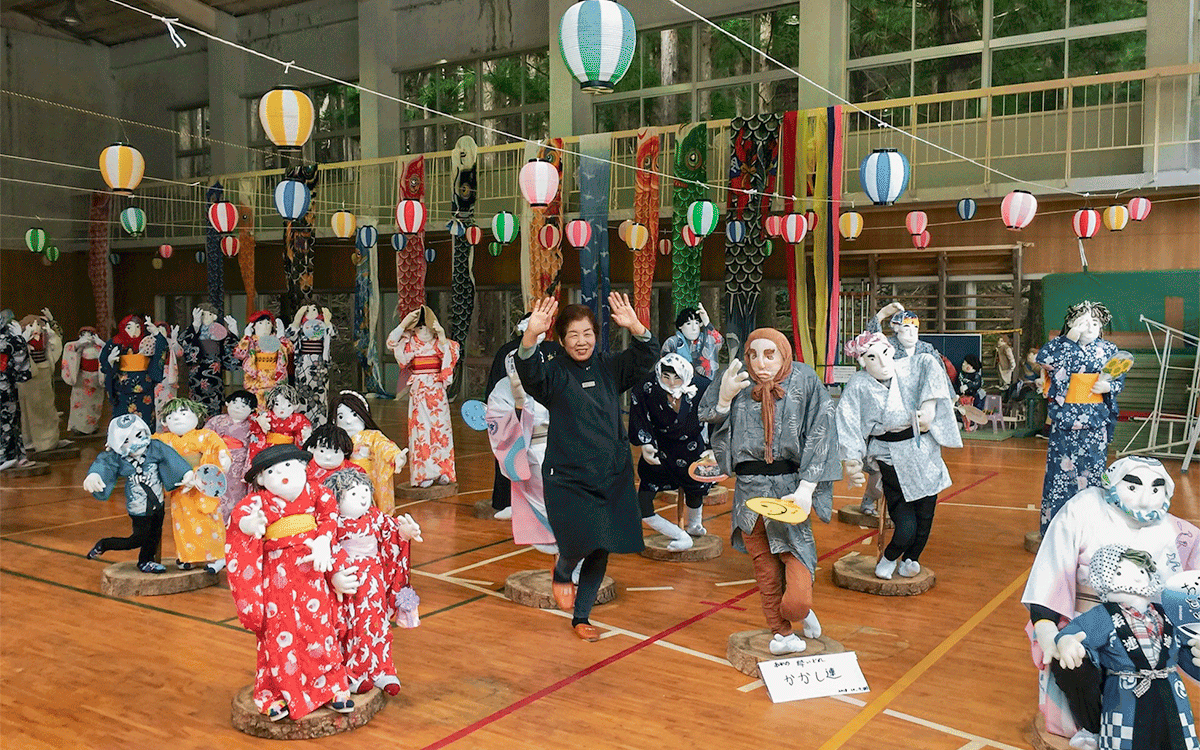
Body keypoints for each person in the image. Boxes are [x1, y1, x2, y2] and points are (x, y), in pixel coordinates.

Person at [1023, 456, 1200, 748]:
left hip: (1154, 629)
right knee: (1071, 664)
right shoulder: (1083, 510)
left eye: (1156, 489)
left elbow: (1189, 594)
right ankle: (1092, 727)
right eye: (1134, 486)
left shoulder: (1179, 533)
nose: (1144, 498)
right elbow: (1052, 568)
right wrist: (1046, 625)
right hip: (1089, 619)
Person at [514, 292, 657, 642]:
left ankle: (582, 616)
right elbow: (528, 372)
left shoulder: (610, 367)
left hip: (612, 473)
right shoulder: (554, 373)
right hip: (569, 477)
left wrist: (636, 326)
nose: (582, 341)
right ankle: (563, 571)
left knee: (602, 543)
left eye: (588, 333)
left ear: (597, 334)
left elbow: (647, 356)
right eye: (573, 335)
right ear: (562, 341)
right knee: (579, 541)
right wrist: (531, 335)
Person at [698, 327, 841, 655]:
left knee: (796, 563)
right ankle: (782, 634)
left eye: (769, 354)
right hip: (749, 493)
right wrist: (724, 397)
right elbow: (707, 417)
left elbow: (822, 432)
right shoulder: (736, 376)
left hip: (789, 490)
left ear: (783, 353)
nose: (760, 363)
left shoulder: (804, 381)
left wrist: (807, 489)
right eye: (753, 354)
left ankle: (799, 611)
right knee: (764, 568)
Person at [225, 444, 360, 721]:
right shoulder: (259, 502)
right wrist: (251, 526)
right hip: (277, 574)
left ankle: (332, 687)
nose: (283, 474)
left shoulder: (315, 492)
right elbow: (239, 518)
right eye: (272, 470)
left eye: (289, 466)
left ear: (303, 466)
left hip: (312, 570)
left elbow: (329, 513)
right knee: (278, 631)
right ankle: (273, 692)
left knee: (320, 628)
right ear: (261, 479)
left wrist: (324, 539)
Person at [837, 331, 961, 580]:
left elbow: (930, 364)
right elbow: (847, 418)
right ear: (863, 362)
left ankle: (911, 558)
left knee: (926, 514)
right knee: (906, 523)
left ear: (892, 351)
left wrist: (929, 407)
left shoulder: (913, 365)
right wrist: (851, 459)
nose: (882, 363)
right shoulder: (859, 385)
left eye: (884, 354)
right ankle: (890, 556)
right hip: (888, 452)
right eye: (872, 358)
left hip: (922, 447)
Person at [1054, 544, 1200, 750]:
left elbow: (1188, 644)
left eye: (1141, 571)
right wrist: (1066, 641)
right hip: (1126, 694)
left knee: (1176, 738)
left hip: (1170, 692)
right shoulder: (1104, 615)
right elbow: (1076, 631)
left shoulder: (1166, 612)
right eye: (1121, 571)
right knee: (1128, 740)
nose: (1138, 577)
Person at [323, 469, 422, 696]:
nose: (363, 497)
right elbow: (329, 548)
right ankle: (354, 672)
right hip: (350, 580)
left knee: (378, 623)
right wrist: (335, 574)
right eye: (354, 493)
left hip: (375, 580)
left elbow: (391, 534)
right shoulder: (332, 524)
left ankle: (382, 669)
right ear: (336, 497)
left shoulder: (376, 517)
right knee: (353, 626)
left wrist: (404, 533)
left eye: (366, 490)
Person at [1036, 301, 1126, 534]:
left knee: (1093, 472)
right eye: (1083, 322)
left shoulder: (1108, 349)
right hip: (1066, 418)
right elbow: (1044, 360)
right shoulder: (1059, 346)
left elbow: (1119, 376)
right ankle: (1055, 529)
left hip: (1095, 419)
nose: (1090, 327)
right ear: (1070, 323)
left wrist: (1109, 387)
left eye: (1095, 322)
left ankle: (1089, 529)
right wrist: (1069, 339)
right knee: (1060, 473)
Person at [84, 414, 193, 574]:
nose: (135, 443)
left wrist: (186, 473)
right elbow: (104, 463)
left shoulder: (155, 448)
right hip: (138, 506)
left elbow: (171, 457)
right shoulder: (118, 457)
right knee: (138, 538)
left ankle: (146, 561)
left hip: (158, 503)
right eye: (126, 441)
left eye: (138, 435)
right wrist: (95, 475)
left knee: (155, 535)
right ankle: (105, 544)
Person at [629, 353, 714, 552]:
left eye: (677, 378)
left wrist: (712, 447)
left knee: (696, 488)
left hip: (692, 450)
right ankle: (679, 535)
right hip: (660, 451)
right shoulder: (647, 387)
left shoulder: (703, 387)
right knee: (643, 504)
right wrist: (645, 444)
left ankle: (695, 525)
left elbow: (717, 416)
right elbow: (638, 416)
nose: (672, 383)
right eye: (666, 377)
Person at [486, 350, 557, 554]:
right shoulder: (503, 388)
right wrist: (518, 406)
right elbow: (496, 421)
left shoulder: (552, 379)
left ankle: (572, 563)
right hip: (526, 450)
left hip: (557, 447)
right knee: (535, 499)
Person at [154, 398, 231, 573]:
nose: (178, 418)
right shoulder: (164, 439)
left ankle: (218, 557)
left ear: (197, 416)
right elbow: (146, 444)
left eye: (183, 413)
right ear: (165, 422)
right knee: (182, 521)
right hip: (180, 487)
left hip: (202, 485)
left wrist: (223, 458)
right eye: (172, 416)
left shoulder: (205, 436)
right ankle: (189, 557)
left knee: (209, 520)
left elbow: (218, 448)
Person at [387, 306, 459, 488]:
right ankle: (424, 474)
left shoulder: (442, 343)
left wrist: (442, 338)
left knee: (441, 430)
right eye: (419, 328)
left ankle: (444, 470)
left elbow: (450, 359)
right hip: (419, 391)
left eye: (427, 328)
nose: (424, 332)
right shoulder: (409, 343)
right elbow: (392, 344)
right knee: (421, 432)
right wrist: (403, 325)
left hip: (436, 390)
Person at [484, 313, 534, 520]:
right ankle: (505, 500)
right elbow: (495, 385)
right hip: (510, 410)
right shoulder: (507, 351)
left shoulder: (548, 350)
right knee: (508, 455)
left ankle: (534, 502)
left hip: (538, 413)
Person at [328, 390, 407, 513]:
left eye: (354, 415)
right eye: (341, 417)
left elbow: (384, 446)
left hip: (367, 479)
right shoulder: (334, 439)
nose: (348, 421)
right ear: (334, 420)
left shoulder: (371, 436)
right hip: (342, 482)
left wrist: (396, 457)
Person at [100, 314, 167, 428]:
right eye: (129, 327)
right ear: (123, 328)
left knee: (145, 420)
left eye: (138, 327)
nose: (134, 331)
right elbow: (104, 363)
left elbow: (162, 348)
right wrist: (110, 361)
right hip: (122, 389)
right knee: (123, 419)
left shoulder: (148, 342)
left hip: (145, 387)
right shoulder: (115, 343)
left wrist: (156, 334)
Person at [17, 310, 66, 453]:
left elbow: (55, 344)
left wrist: (50, 329)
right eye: (32, 325)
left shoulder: (44, 337)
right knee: (29, 409)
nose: (36, 328)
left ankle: (48, 441)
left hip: (43, 371)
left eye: (38, 324)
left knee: (46, 406)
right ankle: (30, 440)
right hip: (29, 376)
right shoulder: (22, 340)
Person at [180, 304, 240, 420]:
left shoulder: (220, 333)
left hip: (214, 373)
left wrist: (234, 333)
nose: (205, 317)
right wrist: (195, 325)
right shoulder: (195, 331)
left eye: (209, 314)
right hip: (197, 372)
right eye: (202, 314)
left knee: (215, 400)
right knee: (196, 402)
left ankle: (215, 425)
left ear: (215, 317)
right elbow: (183, 342)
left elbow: (231, 350)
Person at [204, 390, 256, 522]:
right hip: (217, 461)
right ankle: (213, 523)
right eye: (235, 403)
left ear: (252, 410)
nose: (238, 408)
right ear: (227, 403)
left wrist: (247, 470)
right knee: (214, 492)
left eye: (244, 406)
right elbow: (204, 438)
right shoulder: (216, 421)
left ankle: (232, 525)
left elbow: (253, 448)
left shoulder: (252, 426)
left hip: (238, 465)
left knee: (236, 495)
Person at [289, 304, 335, 425]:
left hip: (319, 362)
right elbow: (289, 337)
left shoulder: (323, 326)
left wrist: (328, 321)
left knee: (321, 392)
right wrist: (296, 321)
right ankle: (303, 423)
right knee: (302, 392)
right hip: (303, 362)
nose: (311, 313)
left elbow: (333, 334)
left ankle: (321, 423)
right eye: (307, 311)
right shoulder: (301, 326)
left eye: (314, 310)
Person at [234, 311, 293, 405]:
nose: (265, 326)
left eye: (268, 323)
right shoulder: (251, 341)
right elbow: (239, 354)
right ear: (253, 326)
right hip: (255, 383)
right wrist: (246, 337)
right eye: (260, 323)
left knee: (275, 408)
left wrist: (281, 336)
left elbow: (289, 350)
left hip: (275, 382)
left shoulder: (276, 339)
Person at [0, 316, 35, 472]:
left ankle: (18, 456)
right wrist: (19, 339)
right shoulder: (7, 339)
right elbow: (13, 350)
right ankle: (3, 457)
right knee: (4, 422)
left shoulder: (8, 337)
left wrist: (19, 339)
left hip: (7, 384)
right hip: (4, 383)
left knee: (13, 419)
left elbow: (15, 354)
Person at [247, 384, 312, 462]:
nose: (282, 409)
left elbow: (304, 428)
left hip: (289, 449)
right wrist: (259, 420)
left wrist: (306, 434)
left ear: (295, 406)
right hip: (269, 448)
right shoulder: (267, 415)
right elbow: (252, 419)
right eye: (277, 404)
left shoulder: (298, 418)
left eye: (288, 405)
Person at [61, 327, 106, 436]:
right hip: (81, 378)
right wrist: (78, 345)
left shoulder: (99, 347)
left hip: (95, 379)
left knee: (94, 404)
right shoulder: (75, 346)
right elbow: (69, 352)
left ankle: (92, 426)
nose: (87, 336)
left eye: (90, 334)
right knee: (79, 403)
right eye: (84, 334)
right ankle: (78, 427)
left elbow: (107, 354)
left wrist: (103, 345)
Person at [660, 304, 724, 379]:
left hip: (705, 383)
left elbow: (719, 341)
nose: (694, 328)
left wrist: (707, 323)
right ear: (680, 326)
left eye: (696, 323)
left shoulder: (705, 338)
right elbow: (664, 365)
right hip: (678, 384)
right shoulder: (672, 342)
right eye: (688, 324)